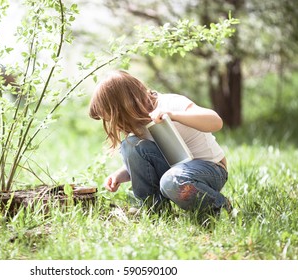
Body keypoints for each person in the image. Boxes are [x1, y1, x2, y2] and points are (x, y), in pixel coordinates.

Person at [89, 70, 231, 214]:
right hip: (176, 170)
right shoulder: (138, 124)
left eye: (115, 118)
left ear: (125, 107)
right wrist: (121, 174)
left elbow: (216, 122)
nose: (116, 125)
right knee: (131, 145)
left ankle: (220, 206)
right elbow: (150, 162)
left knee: (171, 181)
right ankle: (153, 208)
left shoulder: (170, 103)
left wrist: (173, 116)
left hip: (210, 169)